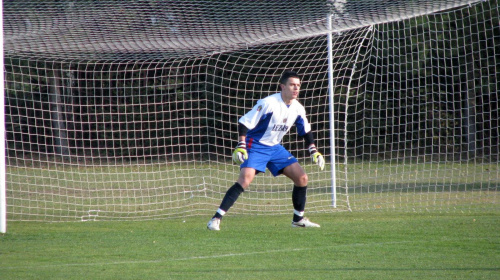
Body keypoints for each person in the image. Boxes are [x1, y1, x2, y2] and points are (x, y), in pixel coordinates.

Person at [207, 70, 325, 231]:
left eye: (298, 85)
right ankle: (215, 219)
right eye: (292, 85)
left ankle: (298, 219)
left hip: (275, 148)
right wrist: (241, 145)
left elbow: (305, 131)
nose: (296, 88)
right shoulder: (268, 103)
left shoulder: (298, 108)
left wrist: (314, 151)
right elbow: (244, 122)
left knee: (302, 178)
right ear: (282, 86)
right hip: (256, 144)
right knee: (245, 180)